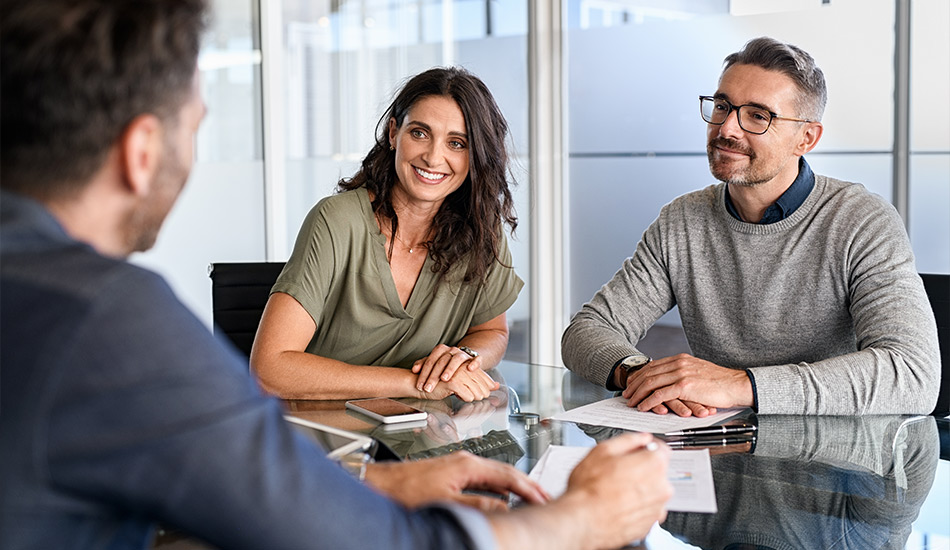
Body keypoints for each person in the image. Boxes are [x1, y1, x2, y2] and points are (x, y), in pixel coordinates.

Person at [0, 1, 673, 549]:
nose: (434, 155)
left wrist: (384, 478)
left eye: (458, 142)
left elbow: (213, 493)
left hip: (360, 464)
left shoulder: (48, 297)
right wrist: (579, 518)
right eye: (198, 125)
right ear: (142, 151)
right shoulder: (111, 321)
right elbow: (354, 534)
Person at [562, 37, 940, 417]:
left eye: (758, 116)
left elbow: (911, 374)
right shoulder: (681, 221)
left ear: (806, 138)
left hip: (835, 460)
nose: (727, 128)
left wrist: (739, 384)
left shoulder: (861, 221)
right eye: (723, 106)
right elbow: (586, 331)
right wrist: (640, 374)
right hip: (715, 447)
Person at [251, 67, 523, 402]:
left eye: (457, 143)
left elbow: (491, 330)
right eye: (420, 133)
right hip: (321, 436)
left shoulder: (482, 230)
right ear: (394, 133)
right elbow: (269, 369)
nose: (434, 157)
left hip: (422, 438)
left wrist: (465, 357)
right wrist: (414, 385)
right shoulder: (337, 221)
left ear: (475, 155)